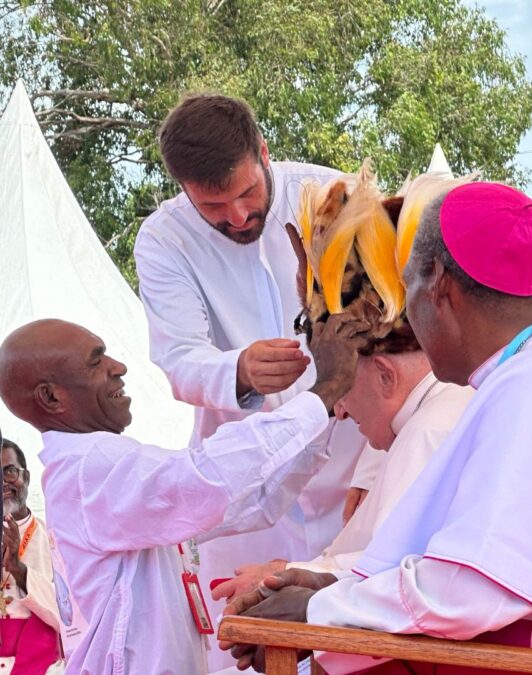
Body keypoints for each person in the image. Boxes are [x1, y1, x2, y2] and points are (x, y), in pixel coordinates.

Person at [222, 182, 532, 673]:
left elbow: (473, 589)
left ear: (437, 282)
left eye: (409, 287)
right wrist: (340, 588)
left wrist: (319, 611)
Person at [132, 94, 371, 663]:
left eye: (248, 193)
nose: (238, 216)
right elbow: (178, 358)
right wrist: (235, 369)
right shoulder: (164, 240)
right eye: (214, 205)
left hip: (351, 465)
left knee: (353, 642)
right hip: (246, 484)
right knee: (242, 647)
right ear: (185, 190)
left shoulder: (332, 198)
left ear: (264, 154)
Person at [0, 315, 366, 674]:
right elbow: (211, 474)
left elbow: (254, 503)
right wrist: (325, 390)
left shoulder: (104, 473)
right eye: (97, 361)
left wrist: (326, 413)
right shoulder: (90, 469)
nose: (119, 366)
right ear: (51, 397)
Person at [209, 324, 473, 598]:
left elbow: (392, 575)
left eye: (341, 389)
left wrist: (280, 575)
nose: (339, 411)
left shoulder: (430, 431)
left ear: (385, 375)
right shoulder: (430, 414)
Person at [1, 439, 63, 674]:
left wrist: (18, 569)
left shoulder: (55, 540)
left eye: (9, 471)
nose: (3, 482)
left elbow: (69, 617)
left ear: (26, 478)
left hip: (42, 666)